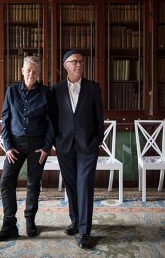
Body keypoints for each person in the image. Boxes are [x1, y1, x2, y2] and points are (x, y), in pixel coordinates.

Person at [0, 55, 55, 242]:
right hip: (15, 146)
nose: (31, 74)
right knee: (5, 182)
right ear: (22, 71)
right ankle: (9, 224)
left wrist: (46, 147)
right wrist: (8, 146)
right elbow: (5, 120)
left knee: (33, 183)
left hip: (37, 146)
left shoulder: (45, 93)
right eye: (28, 70)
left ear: (39, 74)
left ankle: (30, 220)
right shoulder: (11, 91)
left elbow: (51, 123)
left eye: (34, 71)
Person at [52, 49, 104, 249]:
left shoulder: (93, 88)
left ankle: (84, 231)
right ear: (65, 65)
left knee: (84, 186)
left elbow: (100, 117)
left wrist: (97, 141)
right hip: (64, 145)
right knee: (71, 185)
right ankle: (75, 220)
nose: (79, 65)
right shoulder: (56, 90)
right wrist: (56, 141)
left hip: (87, 146)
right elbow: (53, 118)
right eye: (74, 62)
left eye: (81, 62)